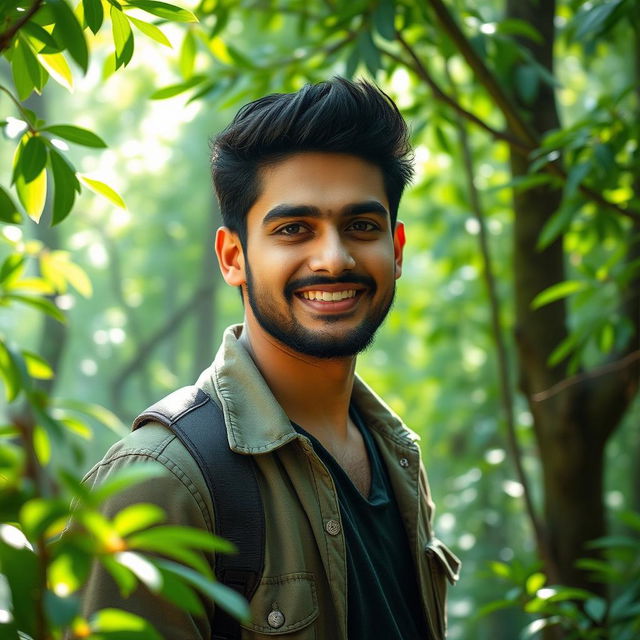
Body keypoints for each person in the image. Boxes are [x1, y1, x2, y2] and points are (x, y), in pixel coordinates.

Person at [78, 77, 460, 639]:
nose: (333, 259)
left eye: (360, 226)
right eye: (294, 230)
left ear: (395, 250)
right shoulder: (162, 483)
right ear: (234, 257)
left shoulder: (395, 456)